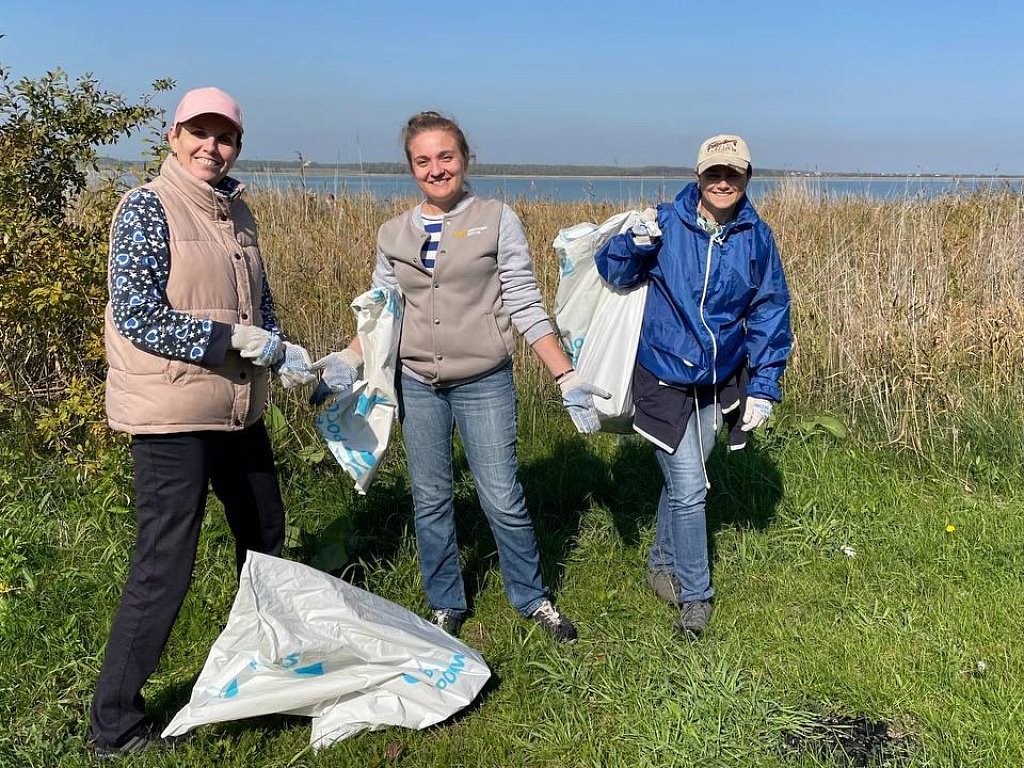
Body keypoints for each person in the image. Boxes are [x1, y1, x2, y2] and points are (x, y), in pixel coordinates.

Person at [312, 111, 607, 643]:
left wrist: (564, 375)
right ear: (410, 168)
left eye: (445, 156)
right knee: (431, 498)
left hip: (483, 381)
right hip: (416, 383)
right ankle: (445, 603)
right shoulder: (392, 232)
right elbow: (382, 309)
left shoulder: (496, 218)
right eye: (423, 160)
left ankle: (532, 597)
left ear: (464, 158)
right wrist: (349, 359)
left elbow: (523, 300)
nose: (436, 169)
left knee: (501, 495)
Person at [89, 87, 316, 757]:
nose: (211, 147)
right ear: (174, 136)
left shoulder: (237, 212)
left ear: (237, 146)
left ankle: (261, 660)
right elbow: (137, 313)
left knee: (264, 531)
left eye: (224, 137)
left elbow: (258, 303)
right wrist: (231, 340)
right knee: (166, 562)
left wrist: (282, 350)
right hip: (172, 414)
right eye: (199, 133)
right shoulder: (147, 207)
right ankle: (114, 724)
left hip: (237, 407)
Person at [595, 134, 792, 638]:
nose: (722, 182)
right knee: (690, 489)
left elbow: (769, 310)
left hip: (717, 380)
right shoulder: (664, 222)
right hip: (663, 375)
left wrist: (764, 385)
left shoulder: (756, 236)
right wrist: (631, 242)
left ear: (747, 177)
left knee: (687, 479)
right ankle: (695, 597)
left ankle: (661, 562)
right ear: (698, 176)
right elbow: (613, 272)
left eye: (732, 173)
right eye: (713, 173)